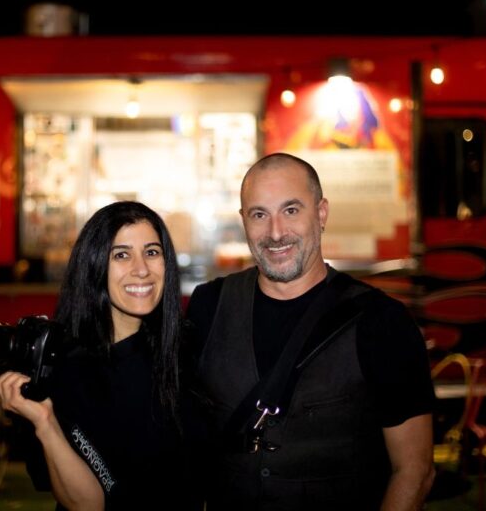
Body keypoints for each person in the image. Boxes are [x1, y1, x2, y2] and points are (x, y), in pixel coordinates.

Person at [186, 153, 436, 510]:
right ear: (243, 221)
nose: (275, 233)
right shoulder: (208, 306)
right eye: (259, 214)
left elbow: (415, 470)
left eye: (291, 210)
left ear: (321, 214)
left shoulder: (382, 322)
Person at [0, 201, 201, 511]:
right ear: (95, 264)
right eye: (121, 255)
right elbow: (88, 504)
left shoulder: (187, 350)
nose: (141, 269)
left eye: (152, 252)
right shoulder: (62, 366)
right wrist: (45, 423)